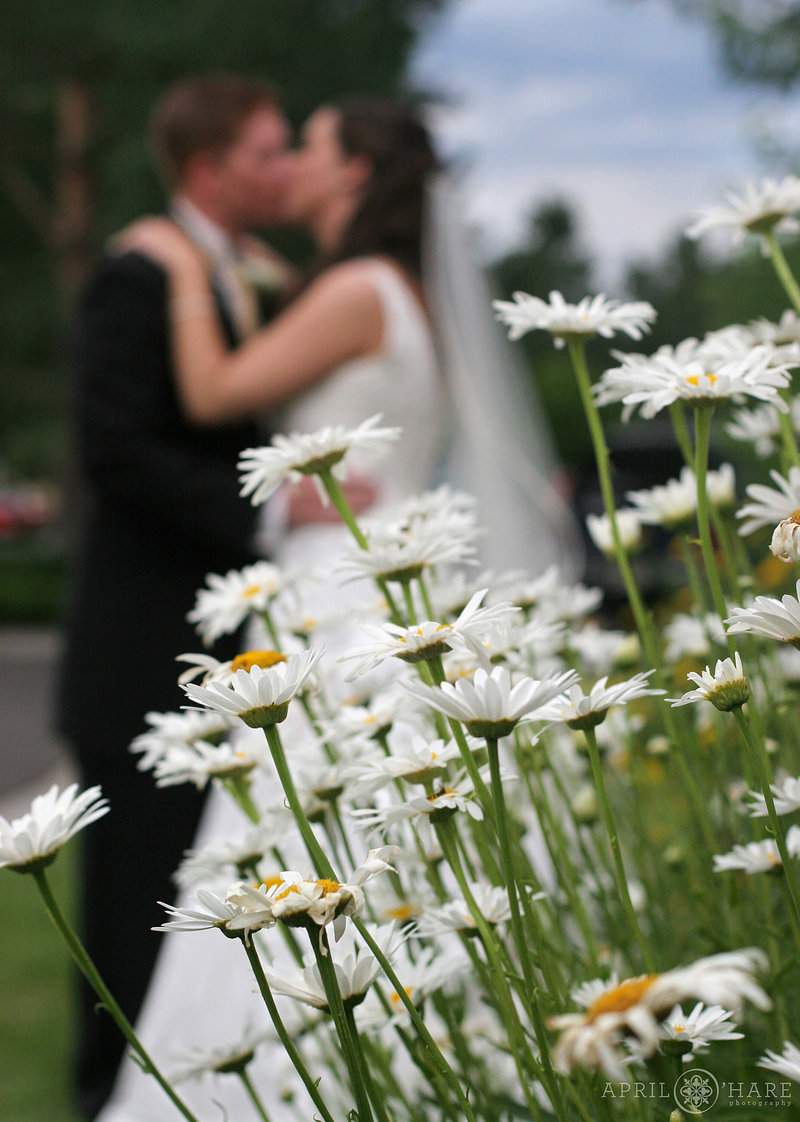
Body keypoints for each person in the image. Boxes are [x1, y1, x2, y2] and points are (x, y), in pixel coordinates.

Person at [90, 96, 581, 1122]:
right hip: (380, 580)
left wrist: (186, 270)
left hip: (334, 593)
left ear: (353, 175)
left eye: (305, 149)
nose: (288, 170)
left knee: (298, 835)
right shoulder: (391, 290)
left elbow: (218, 393)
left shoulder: (356, 287)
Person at [55, 73, 299, 1121]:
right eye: (267, 152)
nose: (284, 169)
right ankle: (108, 1098)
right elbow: (113, 449)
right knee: (132, 913)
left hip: (228, 645)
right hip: (144, 651)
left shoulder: (255, 274)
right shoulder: (139, 273)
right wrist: (272, 515)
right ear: (206, 168)